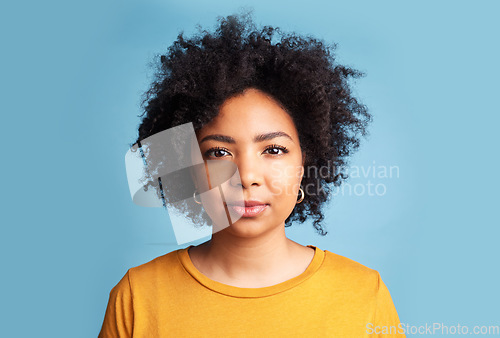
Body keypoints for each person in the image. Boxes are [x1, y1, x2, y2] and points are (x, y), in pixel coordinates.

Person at [98, 12, 405, 337]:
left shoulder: (363, 292)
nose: (246, 176)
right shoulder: (137, 296)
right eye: (219, 153)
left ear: (305, 163)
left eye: (273, 150)